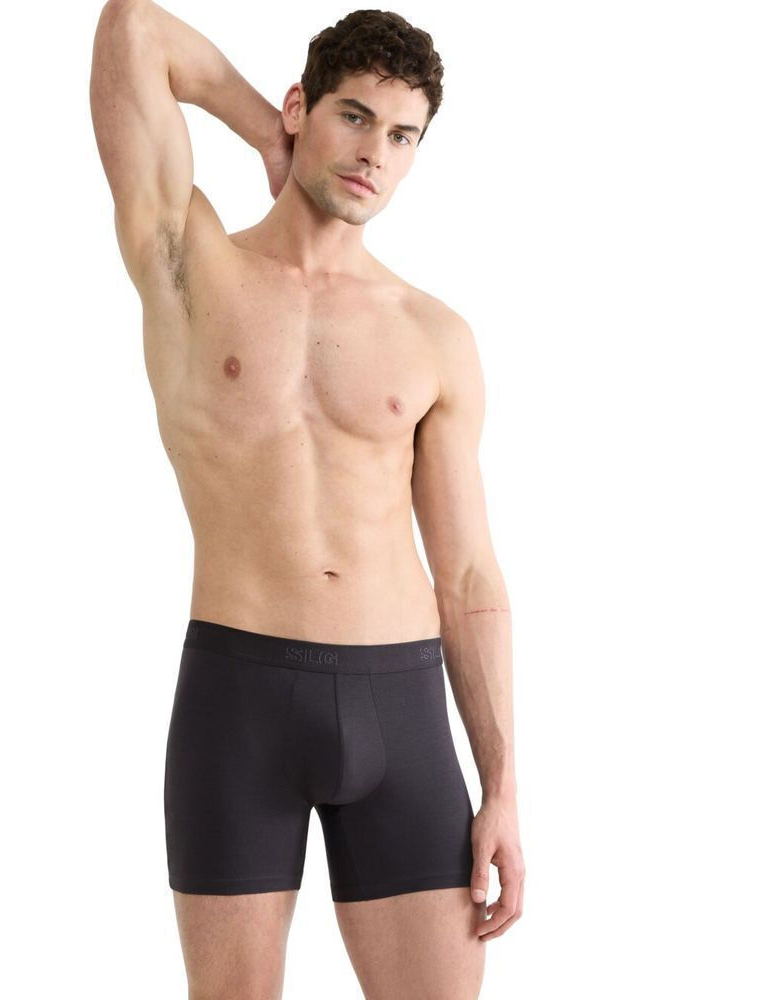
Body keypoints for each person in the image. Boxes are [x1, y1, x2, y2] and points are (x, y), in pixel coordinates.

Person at [90, 1, 524, 996]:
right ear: (303, 107)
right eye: (354, 116)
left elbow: (467, 576)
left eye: (403, 135)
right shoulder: (190, 262)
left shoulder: (433, 334)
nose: (375, 152)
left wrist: (501, 783)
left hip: (404, 710)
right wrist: (264, 134)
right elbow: (132, 31)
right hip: (239, 701)